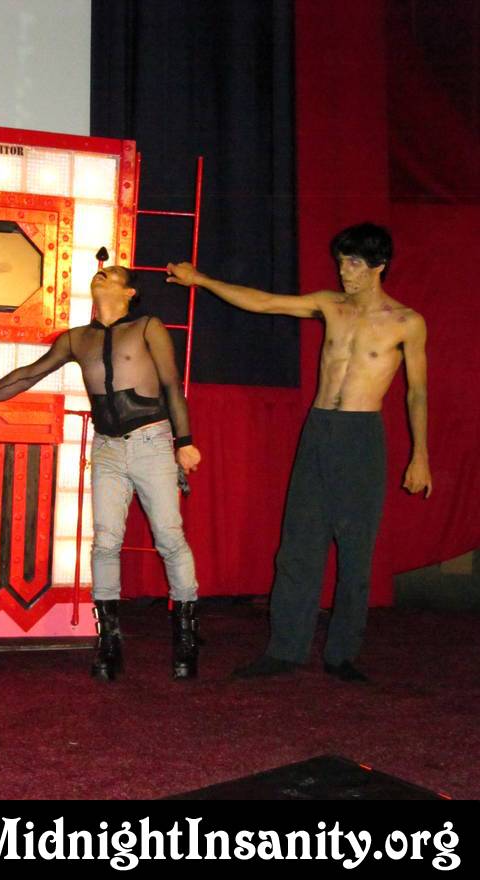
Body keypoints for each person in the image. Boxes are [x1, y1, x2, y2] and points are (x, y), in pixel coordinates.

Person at [167, 222, 431, 682]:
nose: (344, 272)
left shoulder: (406, 322)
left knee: (356, 552)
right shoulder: (330, 304)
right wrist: (201, 280)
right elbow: (265, 302)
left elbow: (417, 392)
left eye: (354, 264)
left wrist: (420, 455)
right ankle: (285, 650)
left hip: (362, 437)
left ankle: (342, 655)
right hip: (319, 430)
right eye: (341, 263)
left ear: (378, 266)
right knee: (298, 546)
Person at [0, 265, 201, 681]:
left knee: (170, 539)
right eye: (98, 273)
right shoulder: (76, 338)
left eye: (110, 274)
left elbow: (172, 384)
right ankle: (109, 643)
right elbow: (30, 373)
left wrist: (184, 441)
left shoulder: (147, 327)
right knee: (105, 542)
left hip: (151, 441)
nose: (101, 275)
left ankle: (186, 639)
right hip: (107, 447)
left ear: (129, 292)